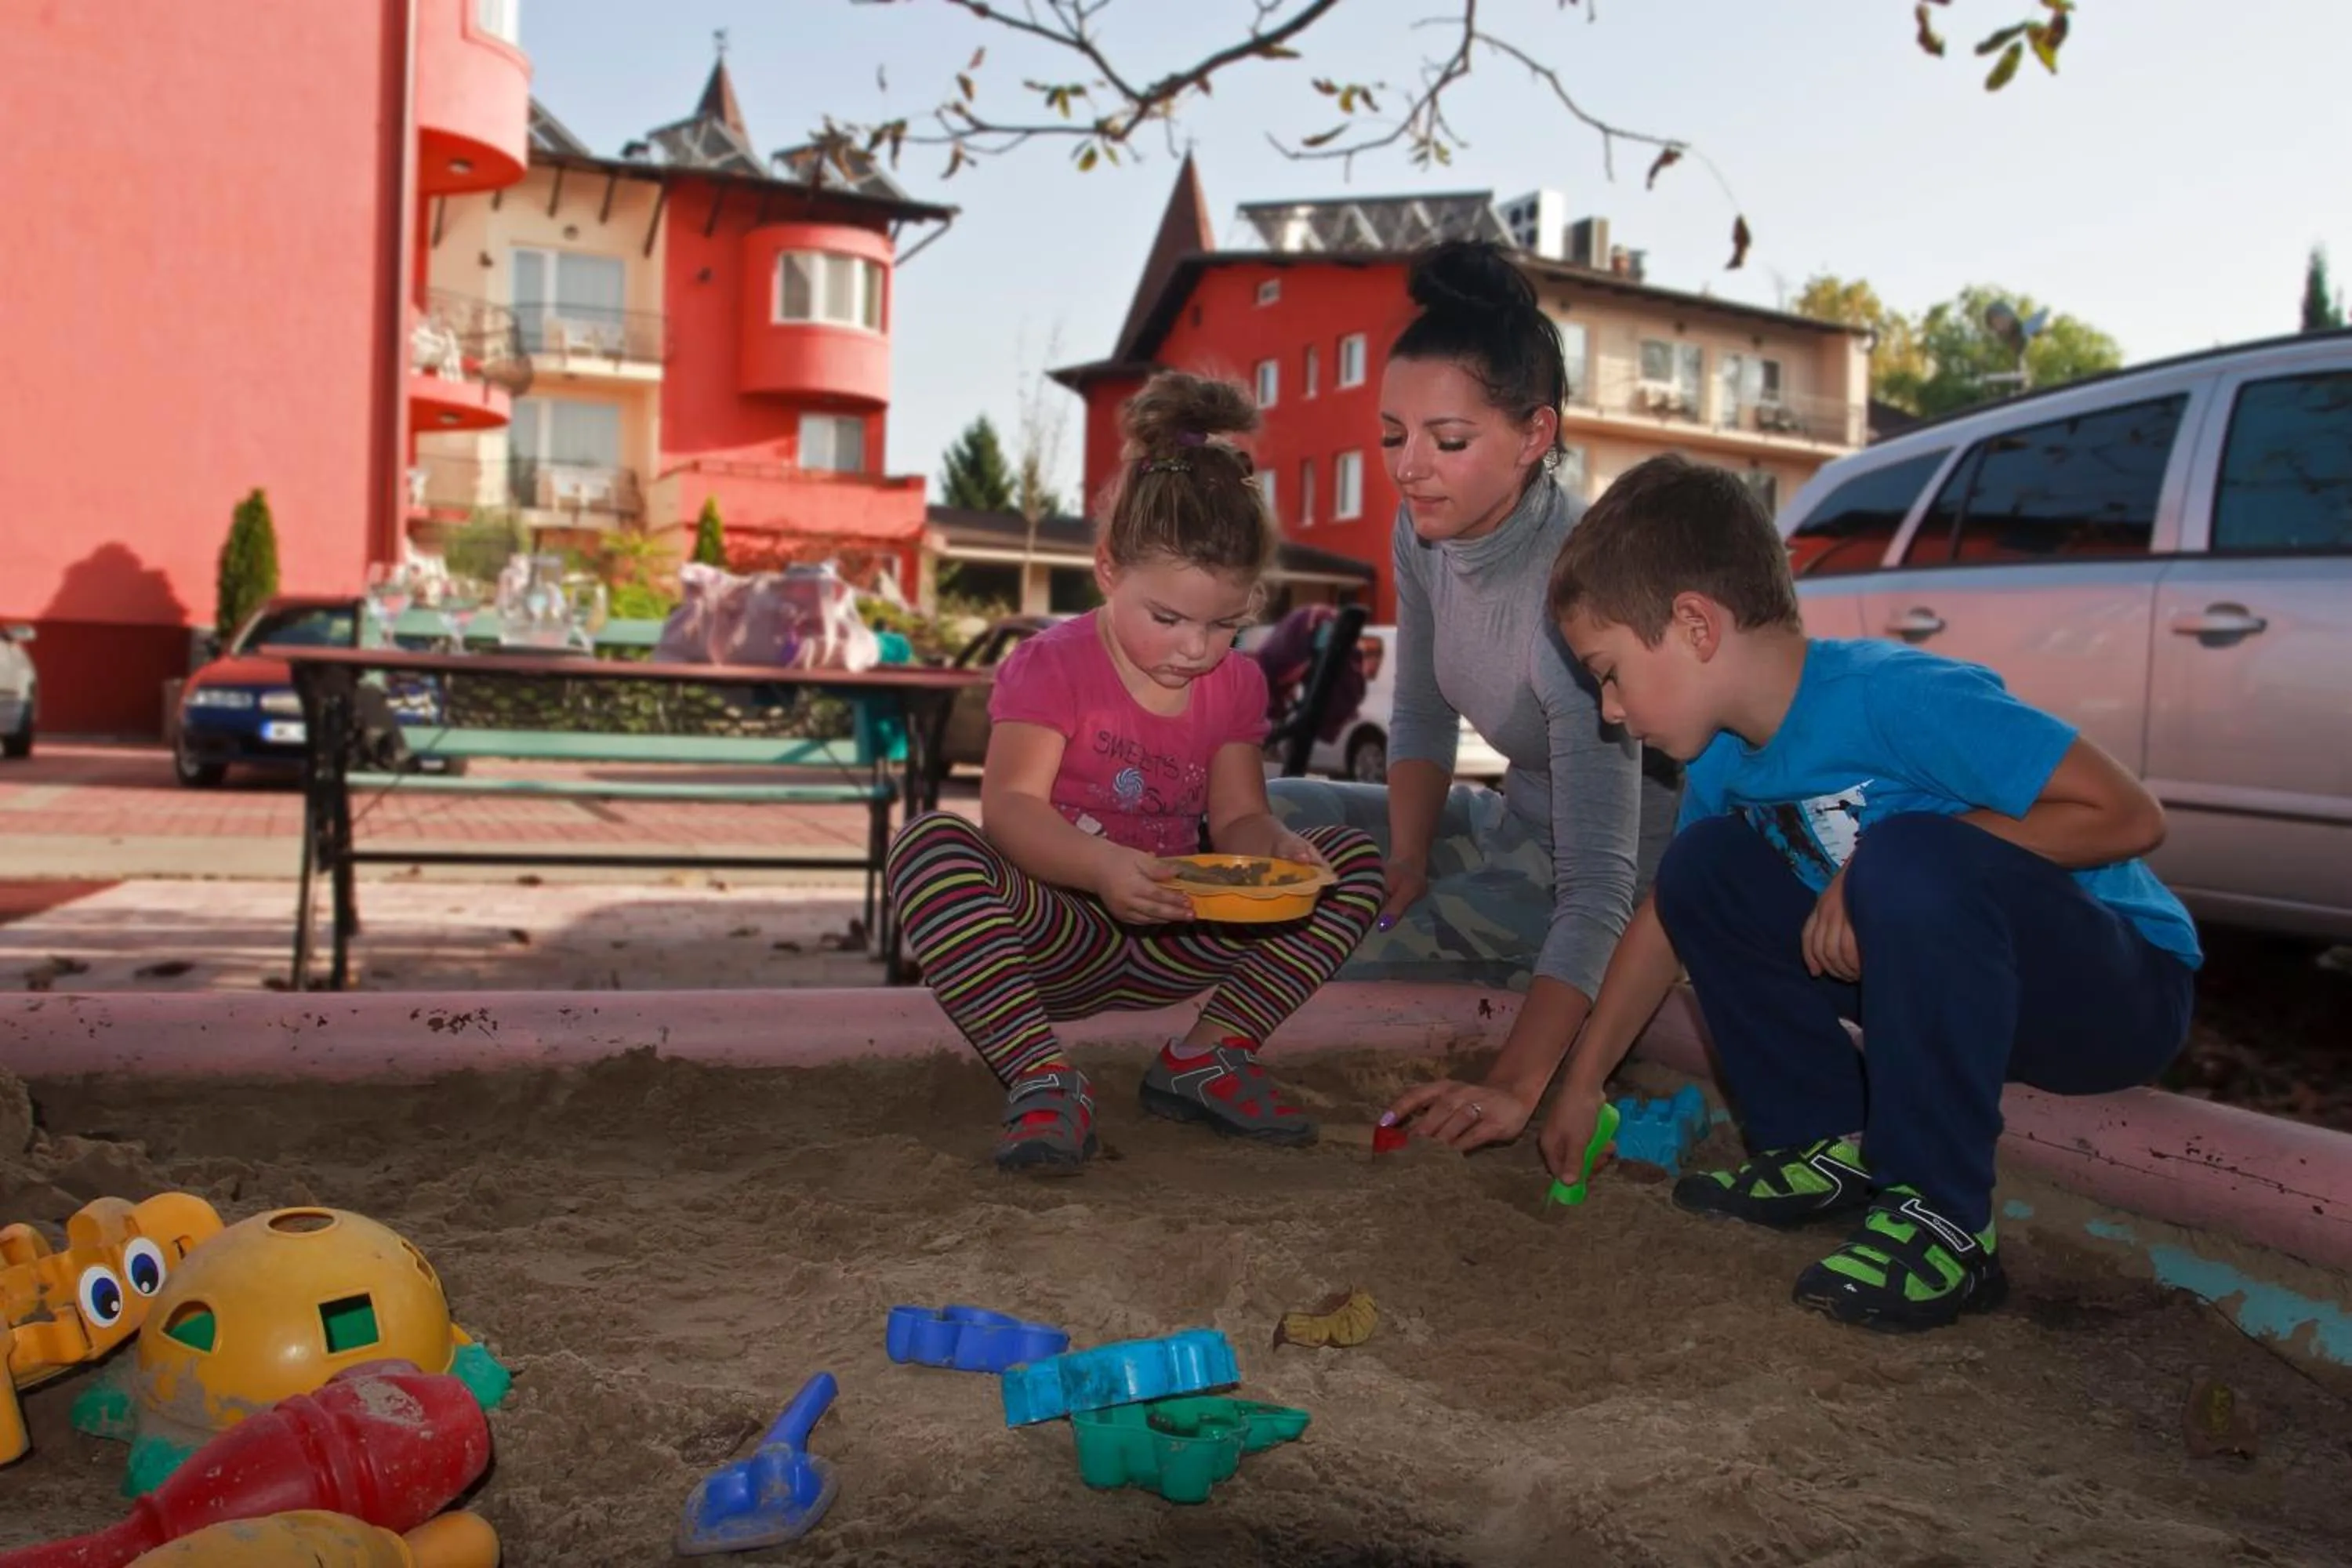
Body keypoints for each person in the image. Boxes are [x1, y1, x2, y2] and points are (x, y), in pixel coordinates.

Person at [1526, 454, 2199, 1330]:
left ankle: (1946, 1217)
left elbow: (2128, 814)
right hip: (1962, 997)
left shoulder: (1895, 697)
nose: (1610, 708)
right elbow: (1665, 919)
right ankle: (1825, 1139)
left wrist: (1876, 864)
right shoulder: (1725, 757)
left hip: (2115, 989)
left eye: (1608, 669)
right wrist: (1584, 1082)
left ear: (1694, 624)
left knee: (1904, 856)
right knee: (1702, 871)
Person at [886, 372, 1385, 1175]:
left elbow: (1238, 822)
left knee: (1351, 862)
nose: (1196, 646)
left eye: (1225, 623)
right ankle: (1044, 1077)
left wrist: (1278, 843)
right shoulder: (1052, 665)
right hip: (1057, 929)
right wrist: (1102, 866)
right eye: (1169, 618)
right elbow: (1010, 808)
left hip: (1182, 926)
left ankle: (1206, 1056)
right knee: (928, 846)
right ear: (1110, 568)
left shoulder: (1237, 682)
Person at [1272, 239, 1676, 1149]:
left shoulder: (1582, 589)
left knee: (1315, 940)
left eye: (1447, 441)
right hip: (1503, 819)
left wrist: (1515, 1083)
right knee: (1260, 813)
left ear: (1536, 435)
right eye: (1391, 436)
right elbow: (1419, 709)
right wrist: (1407, 858)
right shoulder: (1423, 534)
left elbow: (1603, 885)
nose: (1407, 466)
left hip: (1610, 886)